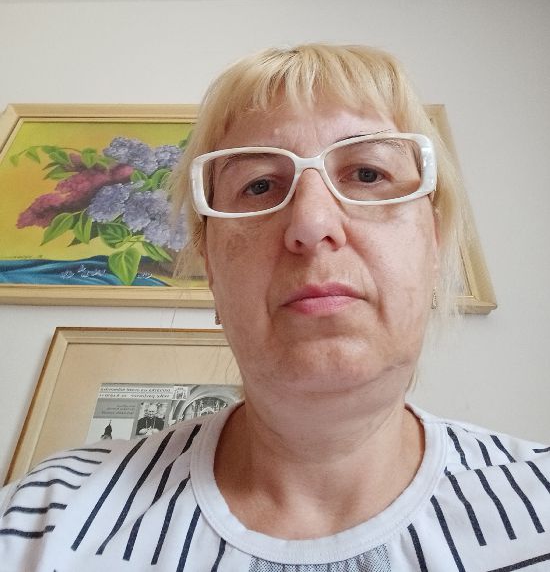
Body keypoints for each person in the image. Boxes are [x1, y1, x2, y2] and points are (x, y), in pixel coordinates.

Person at [0, 44, 548, 571]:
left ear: (434, 246)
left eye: (367, 174)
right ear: (211, 271)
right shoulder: (43, 519)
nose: (311, 223)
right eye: (259, 185)